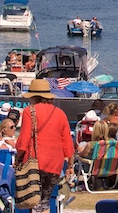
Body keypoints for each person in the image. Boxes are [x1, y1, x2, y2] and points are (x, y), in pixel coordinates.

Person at [15, 78, 76, 213]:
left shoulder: (29, 111)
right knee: (44, 200)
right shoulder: (60, 113)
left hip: (35, 162)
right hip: (55, 164)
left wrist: (18, 158)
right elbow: (68, 143)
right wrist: (70, 166)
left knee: (33, 200)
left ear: (33, 97)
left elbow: (24, 141)